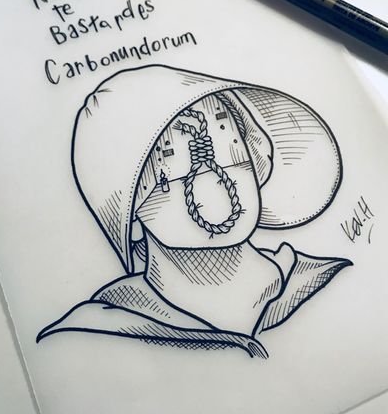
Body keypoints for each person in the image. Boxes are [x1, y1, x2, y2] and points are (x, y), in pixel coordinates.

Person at [38, 65, 351, 358]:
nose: (212, 176)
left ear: (256, 159)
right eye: (166, 167)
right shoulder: (96, 336)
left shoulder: (318, 280)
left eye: (230, 148)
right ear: (129, 213)